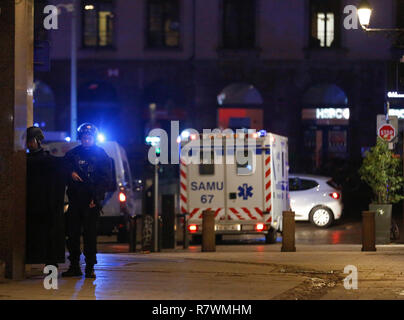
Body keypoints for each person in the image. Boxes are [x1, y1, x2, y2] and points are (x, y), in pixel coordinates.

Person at [62, 123, 111, 279]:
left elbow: (105, 179)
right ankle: (74, 265)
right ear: (80, 137)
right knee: (72, 234)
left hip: (91, 201)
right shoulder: (72, 154)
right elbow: (62, 170)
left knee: (90, 235)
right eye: (84, 137)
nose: (87, 139)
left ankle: (90, 267)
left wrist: (96, 197)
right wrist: (70, 173)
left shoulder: (101, 154)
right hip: (75, 200)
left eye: (89, 137)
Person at [26, 126, 66, 268]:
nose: (29, 144)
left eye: (31, 141)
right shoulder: (33, 160)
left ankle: (50, 262)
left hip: (44, 204)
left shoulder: (47, 160)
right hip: (34, 204)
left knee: (49, 235)